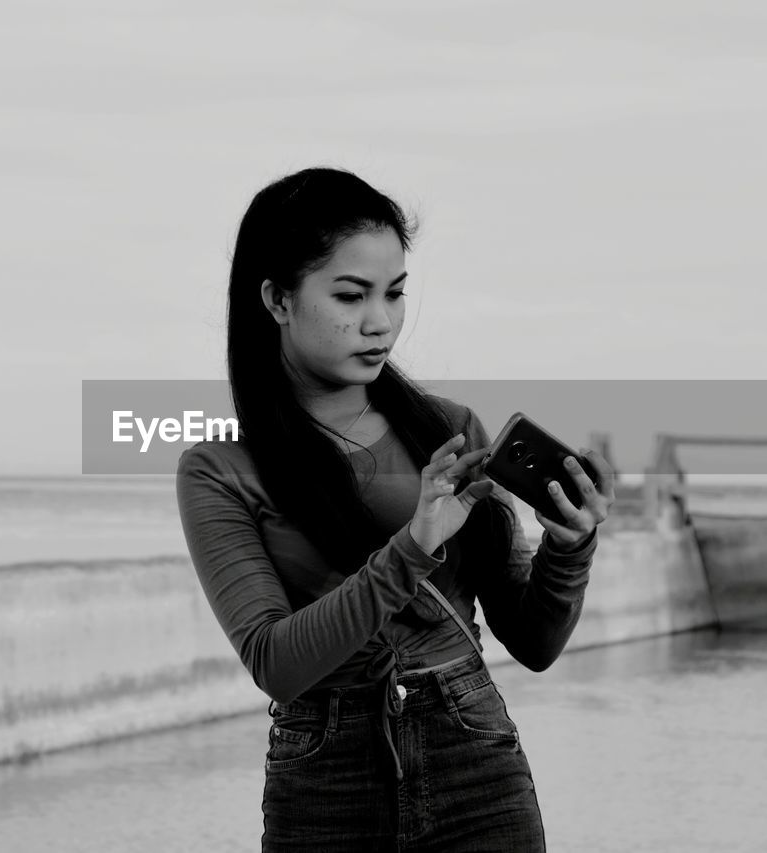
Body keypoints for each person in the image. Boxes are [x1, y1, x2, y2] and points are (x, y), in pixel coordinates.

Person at [175, 166, 614, 852]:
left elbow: (535, 643)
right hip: (326, 778)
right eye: (351, 295)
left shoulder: (447, 429)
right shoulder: (220, 469)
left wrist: (570, 545)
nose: (380, 322)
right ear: (277, 299)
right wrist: (411, 547)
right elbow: (276, 662)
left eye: (395, 293)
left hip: (475, 757)